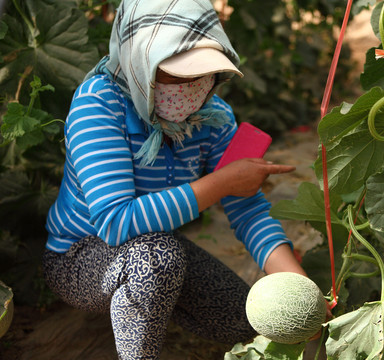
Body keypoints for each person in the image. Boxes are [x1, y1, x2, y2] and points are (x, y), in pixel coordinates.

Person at [42, 0, 307, 358]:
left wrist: (295, 283)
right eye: (174, 73)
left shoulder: (214, 116)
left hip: (161, 247)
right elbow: (116, 222)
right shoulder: (98, 105)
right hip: (80, 255)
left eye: (201, 74)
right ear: (139, 63)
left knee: (243, 320)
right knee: (156, 260)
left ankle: (153, 300)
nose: (190, 87)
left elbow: (248, 211)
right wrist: (222, 182)